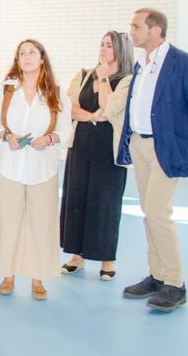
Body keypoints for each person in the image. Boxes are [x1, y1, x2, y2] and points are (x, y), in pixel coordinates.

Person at [118, 9, 188, 312]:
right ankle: (157, 275)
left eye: (136, 26)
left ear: (156, 30)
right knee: (148, 211)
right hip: (140, 145)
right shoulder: (141, 64)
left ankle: (176, 283)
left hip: (165, 148)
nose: (131, 31)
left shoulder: (184, 64)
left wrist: (184, 143)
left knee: (157, 211)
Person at [0, 39, 71, 301]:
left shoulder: (55, 92)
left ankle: (38, 278)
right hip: (10, 165)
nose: (27, 57)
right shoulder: (6, 90)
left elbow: (65, 130)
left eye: (32, 52)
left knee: (41, 223)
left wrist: (50, 139)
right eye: (22, 53)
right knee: (8, 220)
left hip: (42, 167)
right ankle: (8, 274)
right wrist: (6, 136)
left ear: (42, 58)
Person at [60, 31, 133, 280]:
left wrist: (104, 80)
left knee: (105, 203)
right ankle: (77, 256)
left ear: (121, 50)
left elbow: (111, 109)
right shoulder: (83, 75)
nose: (103, 49)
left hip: (108, 150)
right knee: (77, 199)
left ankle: (107, 260)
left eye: (109, 46)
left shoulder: (126, 80)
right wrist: (91, 116)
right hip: (80, 145)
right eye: (101, 44)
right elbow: (68, 107)